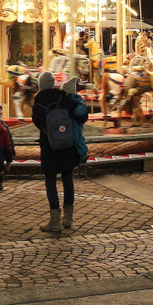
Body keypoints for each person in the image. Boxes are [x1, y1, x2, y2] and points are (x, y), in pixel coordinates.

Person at [32, 71, 87, 233]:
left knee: (51, 183)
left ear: (41, 85)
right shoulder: (64, 97)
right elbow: (80, 116)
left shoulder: (39, 101)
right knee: (67, 181)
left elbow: (37, 121)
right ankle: (68, 218)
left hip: (50, 147)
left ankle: (54, 221)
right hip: (67, 146)